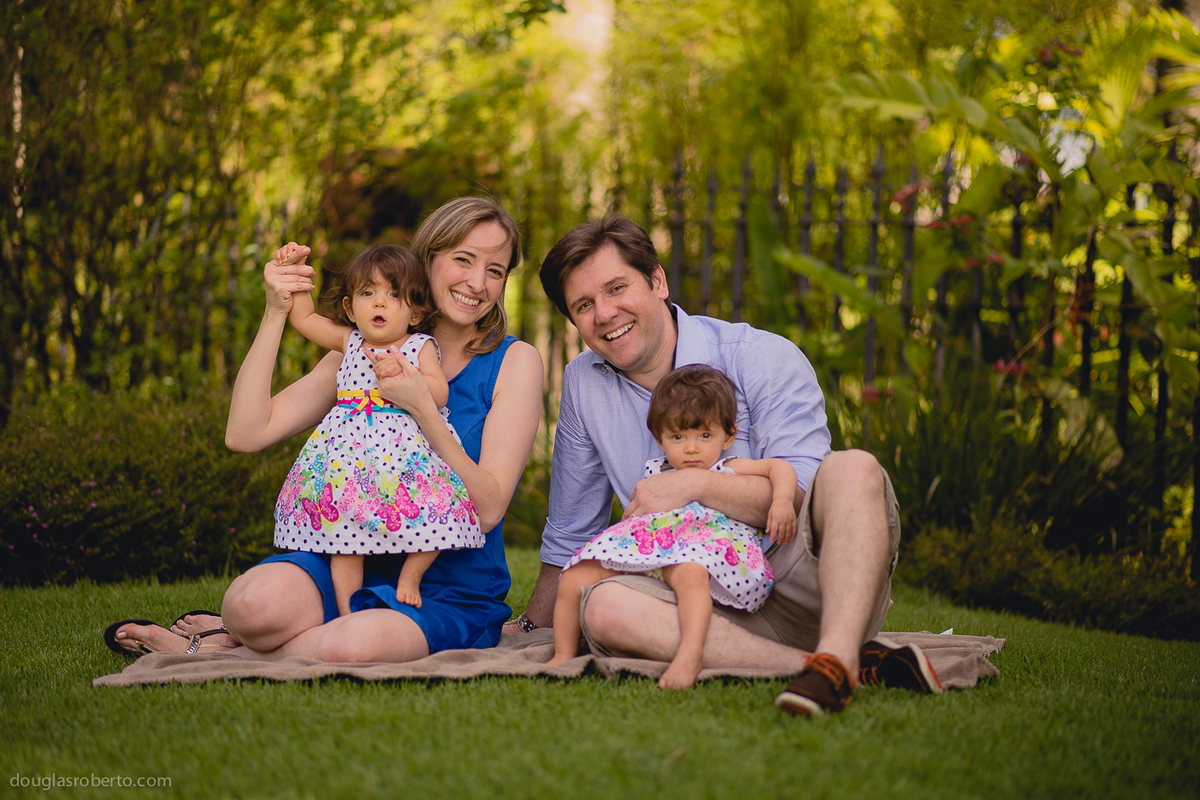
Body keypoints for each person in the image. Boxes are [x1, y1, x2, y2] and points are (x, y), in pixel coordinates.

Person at [518, 213, 941, 716]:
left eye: (616, 288)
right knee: (603, 606)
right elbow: (571, 531)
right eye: (584, 305)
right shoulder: (585, 382)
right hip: (693, 601)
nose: (605, 313)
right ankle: (832, 668)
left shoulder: (760, 356)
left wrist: (694, 485)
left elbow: (806, 492)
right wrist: (530, 628)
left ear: (657, 280)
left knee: (854, 468)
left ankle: (838, 644)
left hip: (806, 582)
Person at [107, 196, 543, 663]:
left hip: (443, 585)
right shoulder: (360, 352)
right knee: (249, 605)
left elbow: (491, 508)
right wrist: (276, 312)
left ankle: (216, 649)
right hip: (345, 555)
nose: (478, 282)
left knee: (348, 644)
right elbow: (246, 433)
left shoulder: (514, 362)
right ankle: (240, 630)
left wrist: (426, 412)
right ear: (427, 259)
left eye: (495, 271)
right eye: (463, 260)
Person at [548, 364, 799, 690]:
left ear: (729, 435)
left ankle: (690, 653)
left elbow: (780, 467)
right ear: (659, 438)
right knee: (574, 575)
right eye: (678, 437)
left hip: (698, 548)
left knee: (690, 573)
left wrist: (781, 501)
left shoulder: (728, 468)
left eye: (704, 435)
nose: (692, 448)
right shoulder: (657, 471)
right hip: (652, 546)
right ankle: (563, 655)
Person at [272, 242, 482, 616]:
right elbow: (303, 320)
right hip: (348, 463)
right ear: (351, 308)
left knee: (439, 510)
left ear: (416, 312)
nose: (380, 303)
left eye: (394, 294)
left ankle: (410, 577)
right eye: (368, 293)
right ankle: (347, 613)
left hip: (403, 456)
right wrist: (297, 272)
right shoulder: (349, 341)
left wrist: (408, 377)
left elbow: (439, 391)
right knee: (344, 542)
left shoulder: (419, 346)